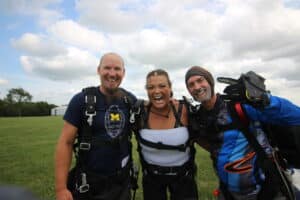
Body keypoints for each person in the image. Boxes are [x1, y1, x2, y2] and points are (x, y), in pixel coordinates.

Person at [184, 66, 300, 200]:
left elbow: (296, 116)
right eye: (191, 85)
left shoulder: (238, 106)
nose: (197, 87)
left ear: (210, 82)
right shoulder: (199, 118)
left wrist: (261, 98)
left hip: (268, 190)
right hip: (229, 193)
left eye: (200, 80)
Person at [55, 52, 136, 200]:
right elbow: (66, 142)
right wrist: (61, 188)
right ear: (98, 70)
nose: (112, 73)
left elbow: (151, 110)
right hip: (90, 185)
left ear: (123, 73)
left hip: (122, 184)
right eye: (107, 68)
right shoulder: (81, 100)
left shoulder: (129, 100)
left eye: (117, 69)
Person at [130, 69, 198, 200]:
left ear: (170, 87)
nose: (156, 91)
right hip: (151, 179)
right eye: (151, 87)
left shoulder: (184, 110)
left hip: (184, 179)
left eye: (162, 86)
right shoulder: (139, 112)